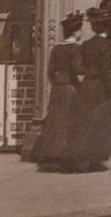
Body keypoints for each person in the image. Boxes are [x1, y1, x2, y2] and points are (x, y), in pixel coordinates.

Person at [69, 7, 111, 172]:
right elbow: (106, 72)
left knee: (86, 123)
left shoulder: (86, 45)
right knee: (101, 124)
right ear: (108, 28)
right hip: (100, 88)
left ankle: (81, 158)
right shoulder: (107, 45)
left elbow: (80, 67)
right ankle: (95, 160)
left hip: (87, 86)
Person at [34, 11, 84, 171]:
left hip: (58, 87)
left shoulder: (56, 49)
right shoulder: (75, 49)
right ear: (75, 31)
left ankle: (52, 154)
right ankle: (67, 155)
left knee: (55, 120)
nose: (81, 33)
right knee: (70, 120)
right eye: (80, 30)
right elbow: (77, 69)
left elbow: (50, 71)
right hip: (70, 87)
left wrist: (57, 82)